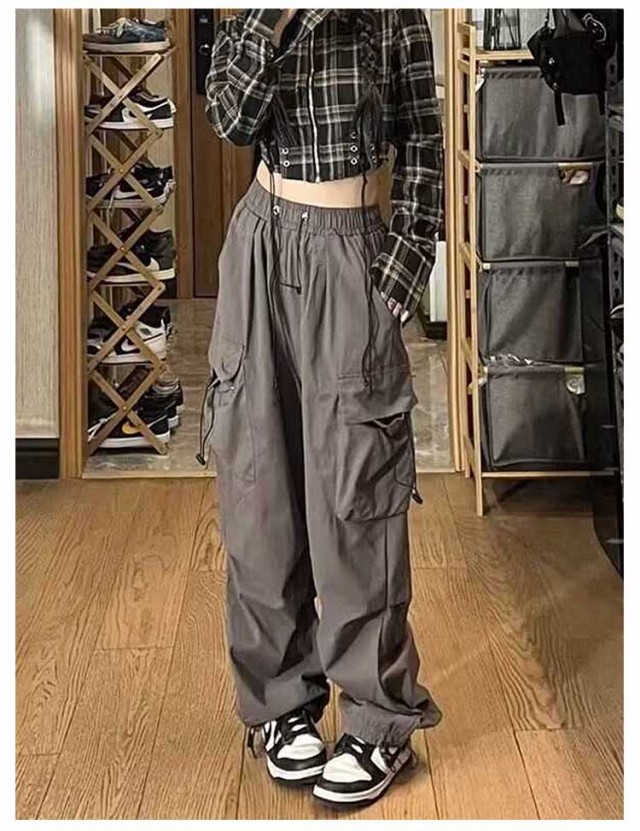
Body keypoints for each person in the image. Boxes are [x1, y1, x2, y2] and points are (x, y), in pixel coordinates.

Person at [199, 8, 443, 808]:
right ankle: (281, 702)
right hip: (259, 244)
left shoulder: (392, 14)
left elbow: (423, 139)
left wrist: (399, 275)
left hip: (348, 253)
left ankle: (377, 719)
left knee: (356, 492)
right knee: (257, 489)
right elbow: (229, 117)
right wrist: (275, 18)